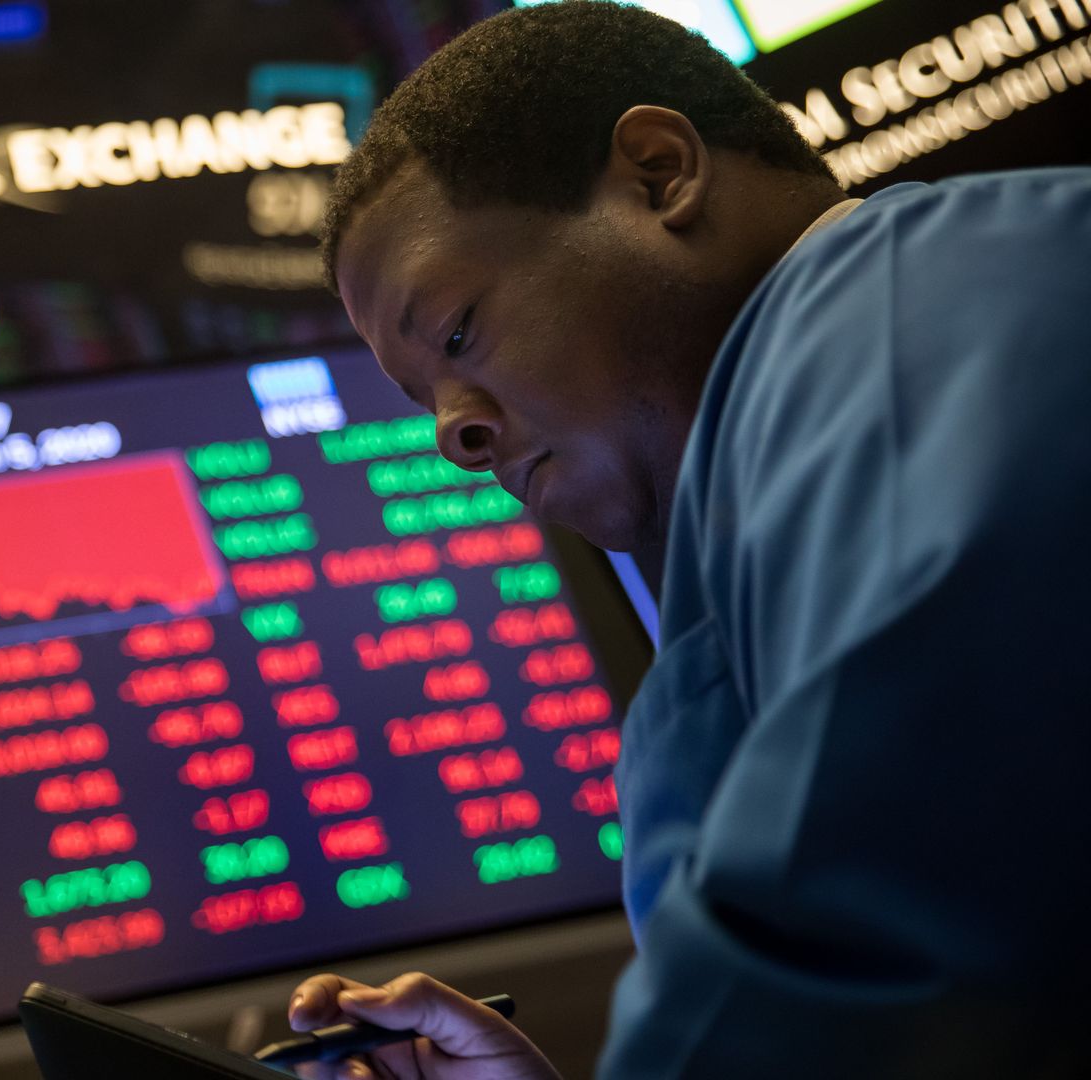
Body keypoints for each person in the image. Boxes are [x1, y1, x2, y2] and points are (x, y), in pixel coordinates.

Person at [283, 3, 1091, 1077]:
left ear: (660, 173)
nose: (455, 434)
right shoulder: (762, 492)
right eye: (424, 398)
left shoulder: (921, 314)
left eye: (460, 333)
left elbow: (882, 959)